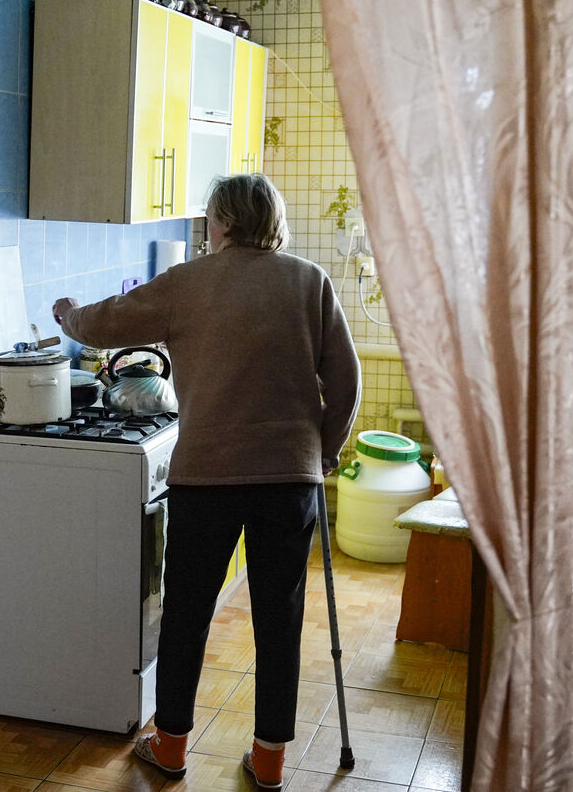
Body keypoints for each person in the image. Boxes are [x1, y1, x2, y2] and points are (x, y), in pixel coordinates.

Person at [52, 174, 360, 789]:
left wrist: (68, 315)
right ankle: (270, 760)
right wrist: (324, 451)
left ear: (222, 221)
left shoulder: (188, 282)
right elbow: (346, 380)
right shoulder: (310, 282)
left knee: (187, 613)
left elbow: (106, 323)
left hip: (207, 478)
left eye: (211, 217)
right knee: (279, 619)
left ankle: (170, 747)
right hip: (288, 477)